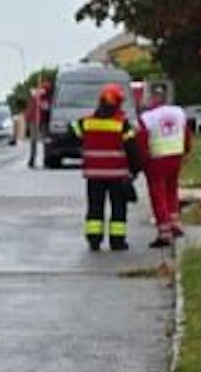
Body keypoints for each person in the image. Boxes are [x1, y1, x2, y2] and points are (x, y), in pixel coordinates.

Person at [71, 83, 142, 251]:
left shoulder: (87, 123)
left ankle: (94, 240)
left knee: (95, 208)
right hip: (117, 175)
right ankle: (117, 242)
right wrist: (135, 170)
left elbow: (72, 131)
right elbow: (133, 150)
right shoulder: (122, 125)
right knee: (118, 209)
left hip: (94, 174)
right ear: (118, 103)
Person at [137, 87, 191, 248]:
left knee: (158, 194)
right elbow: (186, 133)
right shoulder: (178, 112)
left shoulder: (147, 117)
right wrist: (186, 151)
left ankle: (164, 232)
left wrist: (141, 161)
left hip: (157, 159)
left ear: (151, 99)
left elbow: (142, 140)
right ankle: (175, 223)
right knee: (171, 190)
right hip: (176, 156)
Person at [26, 79, 50, 168]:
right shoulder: (37, 94)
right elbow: (45, 107)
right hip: (35, 120)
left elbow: (46, 107)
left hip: (42, 120)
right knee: (35, 141)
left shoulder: (44, 96)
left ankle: (44, 160)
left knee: (43, 141)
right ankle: (33, 160)